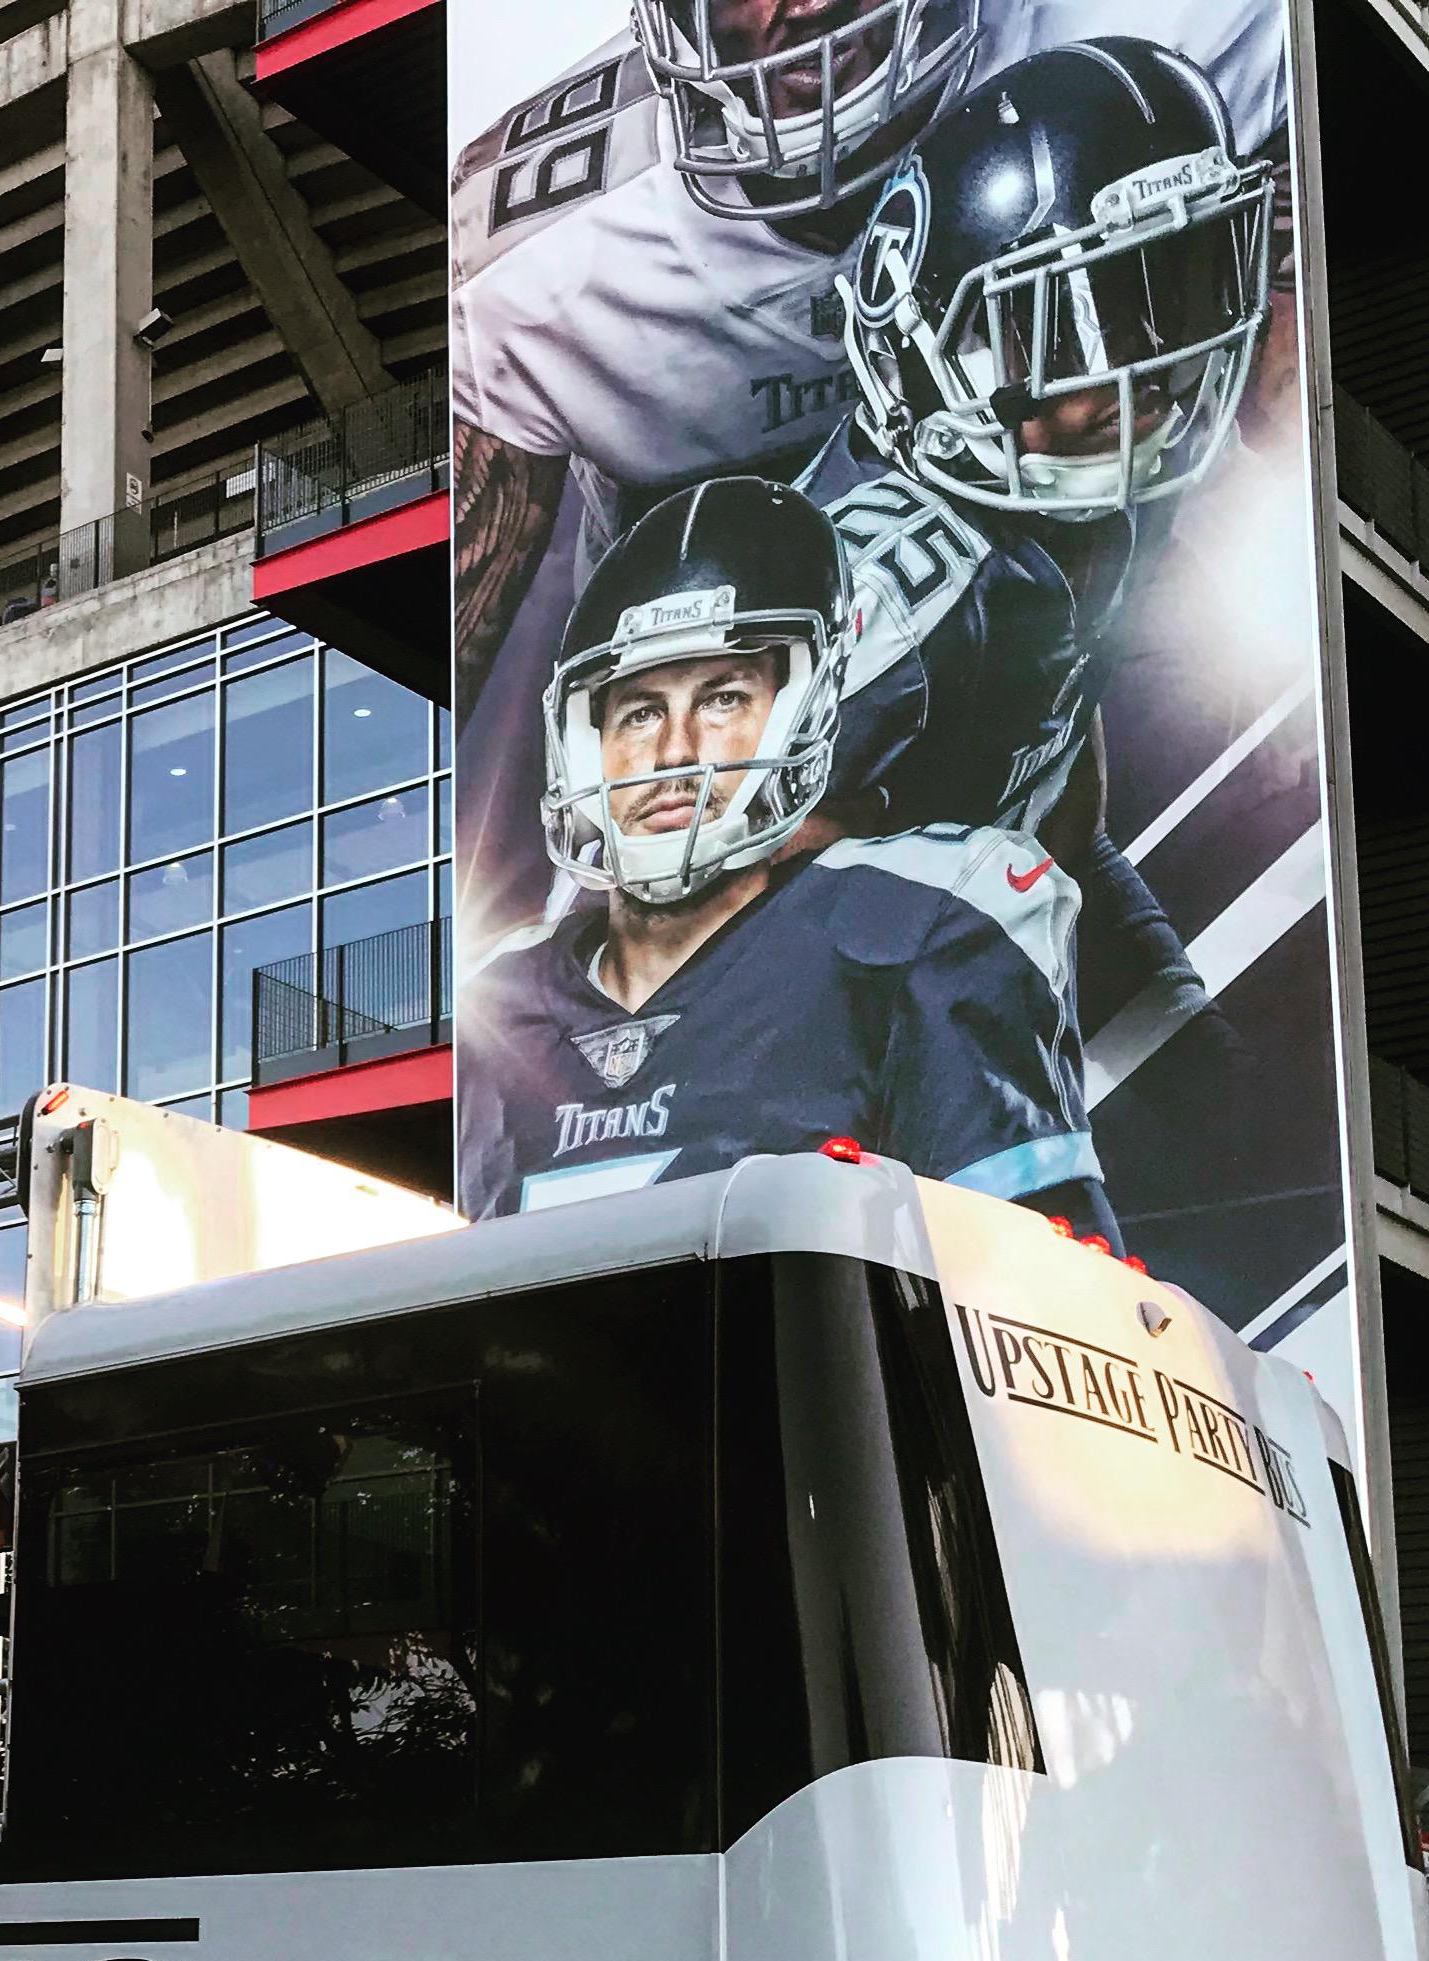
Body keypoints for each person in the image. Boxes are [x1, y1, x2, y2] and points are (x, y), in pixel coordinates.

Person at [447, 0, 1289, 917]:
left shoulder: (1161, 35)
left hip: (1054, 564)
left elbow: (1275, 364)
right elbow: (462, 649)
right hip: (738, 674)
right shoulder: (536, 268)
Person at [452, 477, 1118, 1239]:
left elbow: (1028, 1308)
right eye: (639, 711)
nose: (674, 751)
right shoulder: (494, 1007)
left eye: (723, 698)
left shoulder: (924, 921)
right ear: (584, 742)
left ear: (804, 708)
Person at [806, 34, 1284, 1056]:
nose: (1146, 374)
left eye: (1171, 286)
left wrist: (1054, 904)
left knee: (1217, 1106)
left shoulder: (1112, 479)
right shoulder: (880, 595)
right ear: (940, 349)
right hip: (837, 978)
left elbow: (1060, 717)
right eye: (1082, 321)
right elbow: (718, 891)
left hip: (1021, 871)